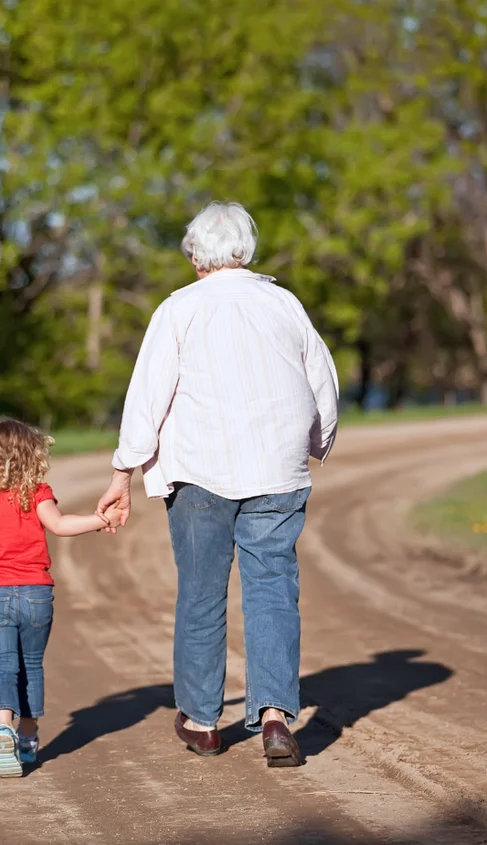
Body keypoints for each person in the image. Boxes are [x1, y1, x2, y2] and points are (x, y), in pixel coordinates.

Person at [96, 201, 339, 768]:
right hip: (276, 470)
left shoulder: (179, 310)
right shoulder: (284, 304)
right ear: (246, 250)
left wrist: (122, 473)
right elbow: (321, 379)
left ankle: (204, 721)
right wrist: (317, 444)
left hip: (200, 471)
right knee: (272, 587)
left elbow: (147, 396)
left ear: (194, 255)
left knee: (203, 591)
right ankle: (276, 716)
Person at [0, 418, 124, 778]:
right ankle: (27, 738)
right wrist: (99, 519)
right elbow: (59, 526)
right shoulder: (37, 493)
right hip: (36, 594)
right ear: (31, 455)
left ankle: (2, 728)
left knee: (1, 665)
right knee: (31, 664)